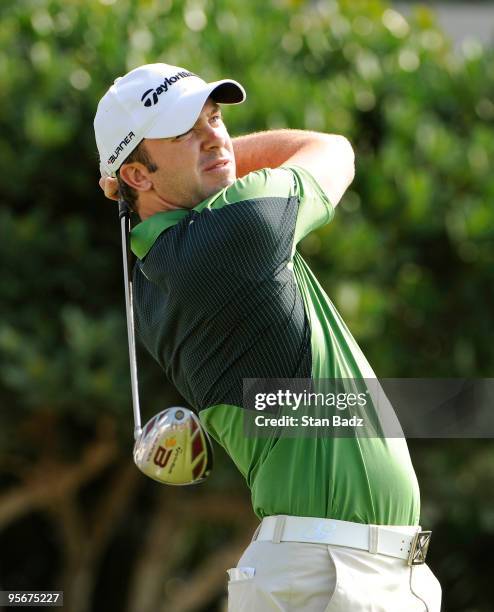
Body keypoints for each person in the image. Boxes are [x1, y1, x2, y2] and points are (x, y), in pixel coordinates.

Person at [94, 63, 442, 611]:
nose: (215, 135)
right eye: (185, 131)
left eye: (213, 118)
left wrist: (197, 158)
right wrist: (221, 163)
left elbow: (212, 170)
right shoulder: (233, 232)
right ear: (138, 175)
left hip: (343, 571)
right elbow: (332, 149)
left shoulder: (159, 275)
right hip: (328, 576)